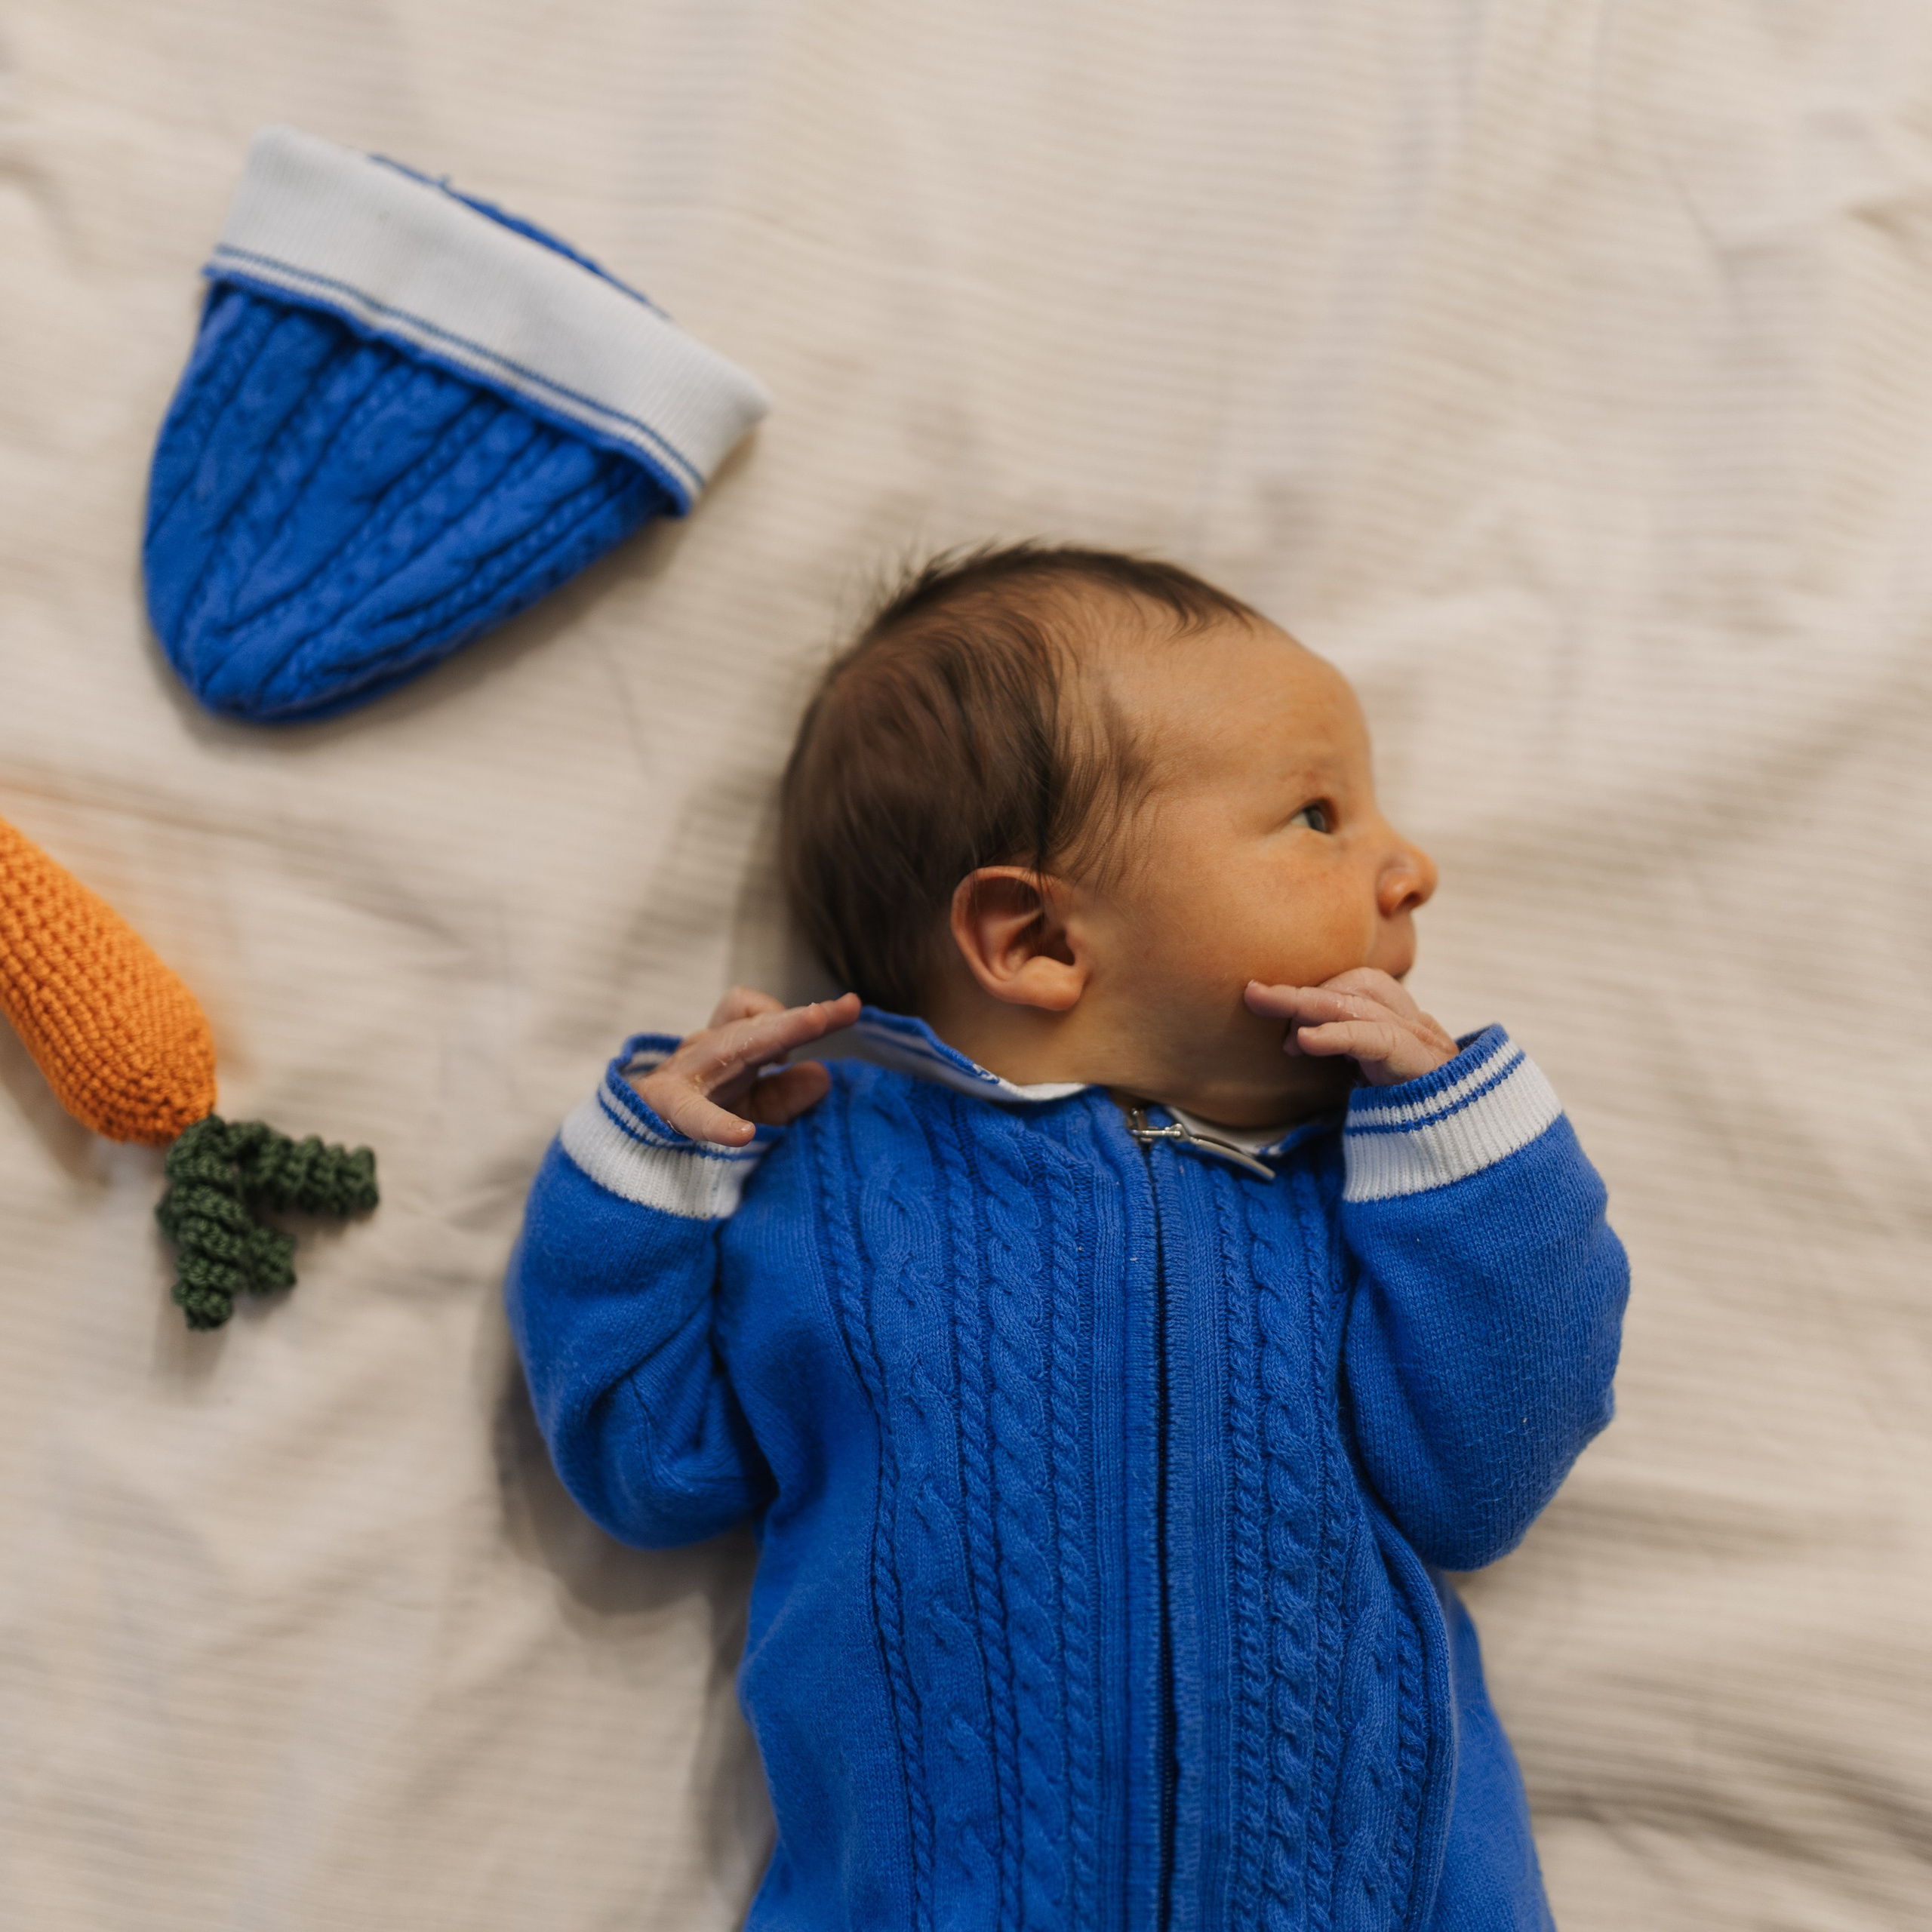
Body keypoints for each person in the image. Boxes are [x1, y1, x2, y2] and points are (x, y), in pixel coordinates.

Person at [507, 543, 1629, 1931]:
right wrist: (647, 1172)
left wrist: (1469, 1149)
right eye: (1318, 815)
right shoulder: (827, 1185)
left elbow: (1488, 1477)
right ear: (1036, 937)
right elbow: (647, 1461)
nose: (1413, 867)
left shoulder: (1371, 1198)